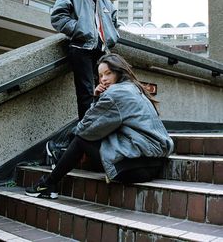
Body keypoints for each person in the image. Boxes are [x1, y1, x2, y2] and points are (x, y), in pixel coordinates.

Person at [25, 53, 174, 199]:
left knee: (80, 139)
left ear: (118, 72)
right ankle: (58, 160)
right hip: (153, 165)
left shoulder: (115, 94)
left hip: (134, 169)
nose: (103, 80)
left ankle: (47, 183)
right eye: (101, 75)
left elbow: (85, 128)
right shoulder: (134, 88)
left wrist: (96, 98)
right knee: (95, 136)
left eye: (108, 73)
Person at [50, 0, 119, 120]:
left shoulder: (106, 2)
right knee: (86, 92)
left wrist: (112, 36)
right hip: (81, 49)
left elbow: (115, 23)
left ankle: (101, 126)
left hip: (102, 51)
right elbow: (58, 17)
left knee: (106, 89)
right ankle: (86, 130)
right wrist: (80, 30)